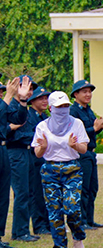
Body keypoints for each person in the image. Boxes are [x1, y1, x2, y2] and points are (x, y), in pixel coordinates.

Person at [31, 91, 89, 248]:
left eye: (65, 106)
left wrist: (75, 145)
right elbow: (38, 153)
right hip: (50, 170)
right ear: (51, 108)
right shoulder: (42, 126)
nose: (63, 110)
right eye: (59, 107)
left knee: (72, 208)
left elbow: (84, 148)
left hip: (72, 169)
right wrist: (43, 146)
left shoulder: (76, 123)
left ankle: (77, 235)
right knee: (54, 212)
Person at [70, 79, 103, 230]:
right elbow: (75, 134)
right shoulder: (73, 111)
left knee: (92, 188)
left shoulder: (88, 110)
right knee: (83, 188)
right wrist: (94, 128)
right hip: (81, 154)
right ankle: (82, 221)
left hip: (91, 153)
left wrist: (99, 127)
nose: (88, 94)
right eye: (84, 91)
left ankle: (90, 220)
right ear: (76, 94)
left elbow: (93, 129)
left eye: (89, 91)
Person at [7, 75, 39, 243]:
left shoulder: (24, 108)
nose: (28, 91)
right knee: (21, 192)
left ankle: (24, 229)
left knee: (29, 192)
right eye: (25, 87)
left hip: (27, 152)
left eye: (31, 88)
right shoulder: (11, 106)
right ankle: (19, 232)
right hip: (16, 151)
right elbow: (8, 130)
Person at [0, 77, 31, 248]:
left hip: (3, 150)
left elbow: (19, 118)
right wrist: (8, 98)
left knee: (3, 196)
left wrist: (23, 100)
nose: (3, 93)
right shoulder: (3, 103)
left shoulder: (3, 103)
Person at [27, 86, 51, 236]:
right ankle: (38, 224)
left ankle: (46, 223)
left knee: (45, 193)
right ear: (32, 101)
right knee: (35, 193)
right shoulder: (30, 116)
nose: (44, 101)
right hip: (33, 159)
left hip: (44, 159)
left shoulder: (43, 117)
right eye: (40, 98)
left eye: (46, 98)